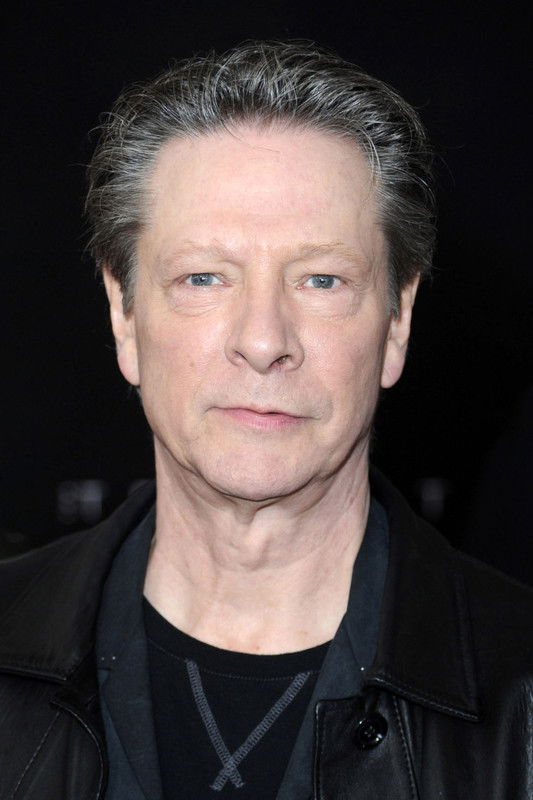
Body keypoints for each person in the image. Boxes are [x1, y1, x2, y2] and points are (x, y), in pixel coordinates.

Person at [0, 41, 531, 800]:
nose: (262, 339)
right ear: (124, 313)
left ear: (396, 320)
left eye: (321, 279)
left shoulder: (520, 694)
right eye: (203, 277)